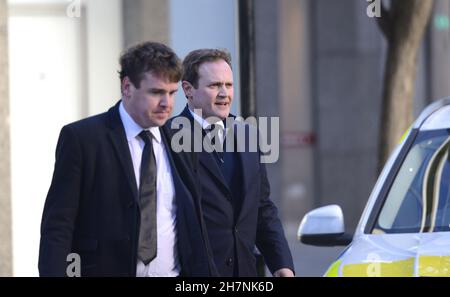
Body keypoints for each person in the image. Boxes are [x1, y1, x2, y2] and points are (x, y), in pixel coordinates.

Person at [38, 41, 214, 277]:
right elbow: (58, 226)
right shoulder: (83, 139)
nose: (167, 103)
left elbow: (196, 225)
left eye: (172, 93)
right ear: (127, 87)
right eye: (156, 92)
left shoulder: (183, 141)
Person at [166, 49, 295, 277]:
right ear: (188, 90)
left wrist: (281, 265)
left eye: (229, 84)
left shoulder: (249, 135)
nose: (224, 93)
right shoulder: (167, 138)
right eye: (214, 85)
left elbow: (262, 208)